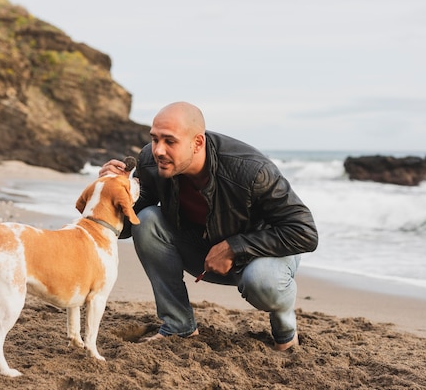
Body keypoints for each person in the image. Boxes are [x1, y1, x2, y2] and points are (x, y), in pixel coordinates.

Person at [99, 101, 318, 350]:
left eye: (169, 141)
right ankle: (178, 326)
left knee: (263, 282)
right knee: (148, 220)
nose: (158, 150)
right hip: (202, 251)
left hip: (261, 256)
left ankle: (285, 332)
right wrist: (111, 191)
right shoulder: (151, 162)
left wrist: (235, 247)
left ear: (198, 143)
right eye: (154, 139)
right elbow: (130, 226)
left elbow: (304, 232)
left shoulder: (252, 171)